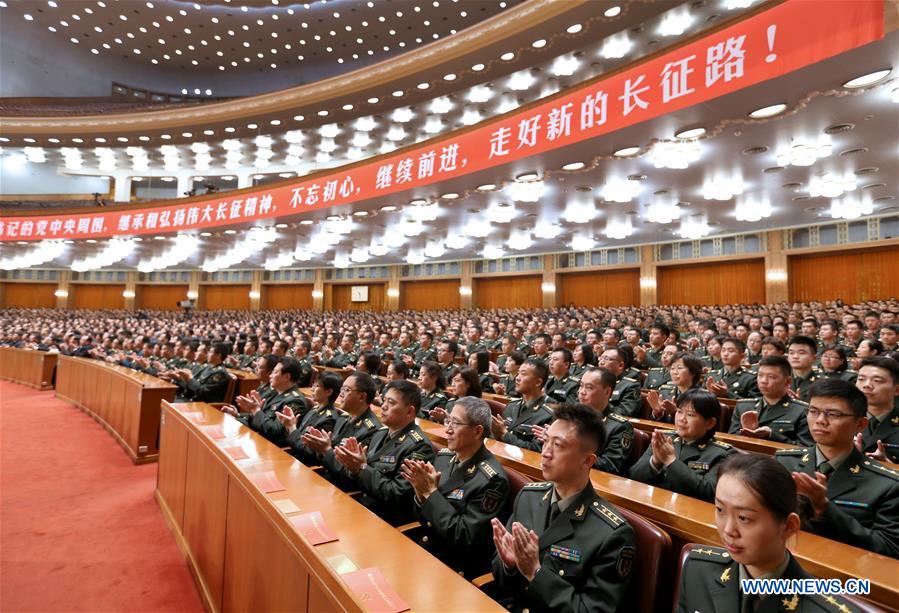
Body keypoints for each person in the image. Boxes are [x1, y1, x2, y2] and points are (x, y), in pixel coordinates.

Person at [490, 403, 636, 612]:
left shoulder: (612, 533)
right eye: (546, 441)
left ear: (587, 461)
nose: (546, 453)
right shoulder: (529, 496)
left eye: (558, 445)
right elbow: (502, 578)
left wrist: (536, 573)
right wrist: (510, 566)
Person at [677, 454, 860, 613]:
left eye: (744, 518)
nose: (728, 530)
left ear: (789, 526)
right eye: (720, 509)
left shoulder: (821, 608)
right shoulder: (697, 568)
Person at [775, 379, 899, 558]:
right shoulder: (785, 462)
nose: (820, 421)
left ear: (861, 425)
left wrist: (824, 508)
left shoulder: (888, 485)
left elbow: (888, 550)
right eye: (813, 411)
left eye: (833, 414)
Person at [401, 396, 510, 578]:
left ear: (477, 431)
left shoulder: (493, 479)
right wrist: (420, 494)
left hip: (453, 565)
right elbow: (424, 516)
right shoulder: (445, 457)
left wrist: (430, 493)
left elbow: (464, 537)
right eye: (448, 421)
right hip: (426, 546)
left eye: (456, 423)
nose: (448, 429)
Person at [321, 379, 436, 526]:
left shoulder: (418, 446)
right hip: (360, 506)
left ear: (410, 411)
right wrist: (352, 467)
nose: (383, 406)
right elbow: (360, 475)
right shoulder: (380, 433)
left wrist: (362, 468)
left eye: (391, 403)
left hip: (384, 519)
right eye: (384, 401)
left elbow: (396, 495)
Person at [630, 389, 736, 502]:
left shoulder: (724, 454)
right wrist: (655, 461)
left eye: (690, 414)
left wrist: (671, 461)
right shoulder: (664, 438)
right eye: (679, 411)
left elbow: (709, 492)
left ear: (710, 423)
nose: (681, 419)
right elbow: (634, 476)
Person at [297, 372, 382, 471]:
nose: (341, 394)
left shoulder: (371, 430)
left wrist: (325, 451)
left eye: (346, 390)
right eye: (342, 389)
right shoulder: (343, 418)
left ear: (362, 397)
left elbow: (349, 471)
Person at [224, 356, 309, 447]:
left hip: (270, 448)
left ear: (287, 376)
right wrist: (238, 415)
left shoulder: (295, 401)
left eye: (275, 372)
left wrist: (256, 410)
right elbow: (264, 416)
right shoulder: (276, 392)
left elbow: (273, 432)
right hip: (257, 438)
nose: (270, 375)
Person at [730, 356, 812, 446]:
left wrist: (771, 435)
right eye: (760, 375)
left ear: (788, 381)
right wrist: (746, 433)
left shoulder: (802, 411)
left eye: (771, 377)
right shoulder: (744, 406)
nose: (763, 381)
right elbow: (731, 441)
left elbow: (803, 449)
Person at [574, 366, 635, 476]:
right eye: (581, 385)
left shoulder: (620, 427)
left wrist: (572, 451)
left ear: (607, 392)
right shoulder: (571, 416)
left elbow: (610, 466)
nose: (582, 392)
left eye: (589, 387)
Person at [490, 358, 553, 451]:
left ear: (538, 382)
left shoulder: (548, 414)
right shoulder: (512, 405)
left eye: (523, 374)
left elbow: (535, 449)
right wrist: (497, 433)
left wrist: (505, 434)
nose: (517, 377)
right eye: (518, 373)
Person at [279, 371, 340, 461]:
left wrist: (292, 428)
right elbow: (298, 437)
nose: (312, 389)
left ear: (329, 391)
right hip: (293, 456)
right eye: (313, 385)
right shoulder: (314, 409)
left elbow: (309, 452)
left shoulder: (329, 419)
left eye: (316, 386)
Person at [855, 356, 899, 463]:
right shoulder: (841, 418)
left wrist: (887, 465)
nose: (866, 385)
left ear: (896, 390)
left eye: (877, 381)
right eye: (861, 379)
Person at [648, 352, 704, 423]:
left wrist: (675, 413)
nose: (675, 372)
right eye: (672, 368)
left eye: (679, 368)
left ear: (693, 372)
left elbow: (698, 426)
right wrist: (657, 413)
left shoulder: (701, 397)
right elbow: (653, 424)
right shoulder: (664, 392)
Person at [596, 347, 641, 417]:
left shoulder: (630, 386)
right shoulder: (592, 382)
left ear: (620, 365)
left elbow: (625, 412)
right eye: (600, 358)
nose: (601, 362)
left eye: (607, 359)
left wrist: (600, 403)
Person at [787, 336, 822, 402]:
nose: (795, 356)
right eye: (791, 353)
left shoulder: (822, 383)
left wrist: (800, 403)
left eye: (801, 353)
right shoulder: (780, 378)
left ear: (814, 358)